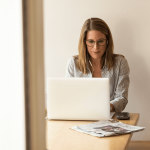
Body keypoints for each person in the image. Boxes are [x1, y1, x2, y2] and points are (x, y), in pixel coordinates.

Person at [65, 18, 130, 112]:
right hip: (79, 117)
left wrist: (106, 107)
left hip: (109, 120)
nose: (96, 47)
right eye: (91, 42)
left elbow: (122, 99)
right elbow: (68, 97)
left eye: (100, 41)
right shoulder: (73, 63)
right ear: (84, 42)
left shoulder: (120, 63)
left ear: (107, 41)